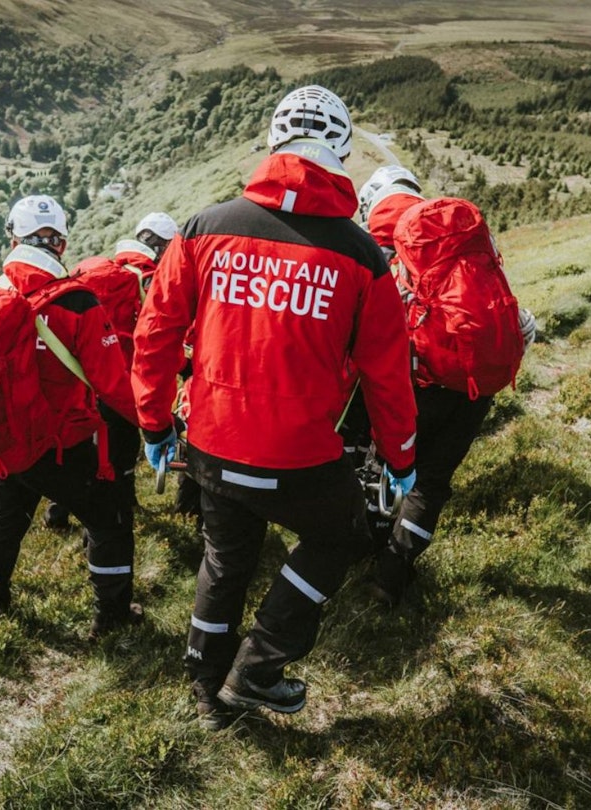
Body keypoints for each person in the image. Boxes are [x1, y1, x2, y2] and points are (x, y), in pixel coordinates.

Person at [131, 86, 418, 730]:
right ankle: (257, 670)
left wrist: (153, 422)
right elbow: (386, 374)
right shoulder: (362, 257)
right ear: (342, 152)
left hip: (210, 443)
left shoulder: (205, 226)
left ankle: (208, 695)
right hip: (301, 454)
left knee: (225, 559)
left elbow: (155, 333)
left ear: (272, 142)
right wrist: (401, 457)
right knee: (335, 537)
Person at [354, 166, 538, 607]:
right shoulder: (459, 232)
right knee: (432, 482)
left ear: (371, 204)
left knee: (384, 465)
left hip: (414, 380)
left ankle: (371, 548)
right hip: (474, 381)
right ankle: (392, 577)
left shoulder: (375, 243)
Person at [0, 194, 145, 640]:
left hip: (3, 436)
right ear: (61, 244)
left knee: (2, 518)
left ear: (13, 238)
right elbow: (113, 386)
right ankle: (113, 616)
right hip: (56, 442)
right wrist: (155, 423)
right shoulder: (77, 302)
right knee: (109, 517)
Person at [43, 212, 180, 531]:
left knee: (83, 449)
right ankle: (119, 509)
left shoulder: (101, 269)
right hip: (124, 380)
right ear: (162, 247)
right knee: (122, 450)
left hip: (83, 374)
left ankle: (58, 512)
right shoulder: (149, 279)